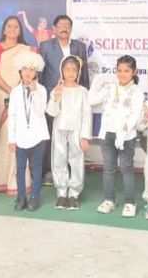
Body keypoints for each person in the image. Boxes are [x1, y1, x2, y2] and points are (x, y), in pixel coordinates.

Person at [89, 55, 145, 218]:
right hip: (108, 134)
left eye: (126, 71)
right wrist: (97, 82)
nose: (122, 74)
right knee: (108, 168)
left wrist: (124, 132)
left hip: (126, 137)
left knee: (126, 169)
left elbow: (135, 115)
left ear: (134, 72)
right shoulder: (110, 87)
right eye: (119, 70)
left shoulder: (137, 92)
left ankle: (130, 202)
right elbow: (91, 100)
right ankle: (109, 200)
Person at [39, 15, 90, 187]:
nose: (64, 28)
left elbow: (84, 74)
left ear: (71, 28)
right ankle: (49, 170)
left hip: (75, 98)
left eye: (67, 25)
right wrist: (45, 96)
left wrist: (85, 94)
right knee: (53, 137)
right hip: (54, 97)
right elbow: (41, 74)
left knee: (74, 137)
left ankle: (73, 173)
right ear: (54, 28)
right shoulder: (45, 46)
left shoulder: (80, 47)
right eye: (60, 25)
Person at [0, 16, 32, 196]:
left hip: (22, 95)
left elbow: (31, 72)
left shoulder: (26, 50)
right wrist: (10, 91)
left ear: (20, 30)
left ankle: (17, 180)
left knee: (19, 135)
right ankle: (1, 179)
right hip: (3, 95)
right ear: (4, 30)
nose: (13, 29)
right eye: (9, 26)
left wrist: (19, 91)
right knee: (5, 135)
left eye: (16, 26)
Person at [45, 56, 92, 210]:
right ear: (62, 71)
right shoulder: (57, 90)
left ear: (78, 72)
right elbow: (52, 112)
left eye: (74, 70)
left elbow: (86, 115)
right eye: (67, 69)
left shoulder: (83, 91)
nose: (70, 73)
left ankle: (74, 194)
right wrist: (56, 96)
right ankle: (61, 193)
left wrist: (85, 136)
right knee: (58, 160)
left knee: (76, 161)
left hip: (76, 131)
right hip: (59, 129)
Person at [7, 51, 48, 212]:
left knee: (36, 168)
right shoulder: (15, 92)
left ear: (36, 71)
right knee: (20, 169)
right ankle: (21, 197)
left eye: (32, 69)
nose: (28, 72)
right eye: (25, 68)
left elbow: (40, 110)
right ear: (20, 70)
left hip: (37, 136)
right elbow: (12, 115)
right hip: (20, 137)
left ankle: (35, 197)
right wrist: (11, 139)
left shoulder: (42, 90)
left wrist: (34, 92)